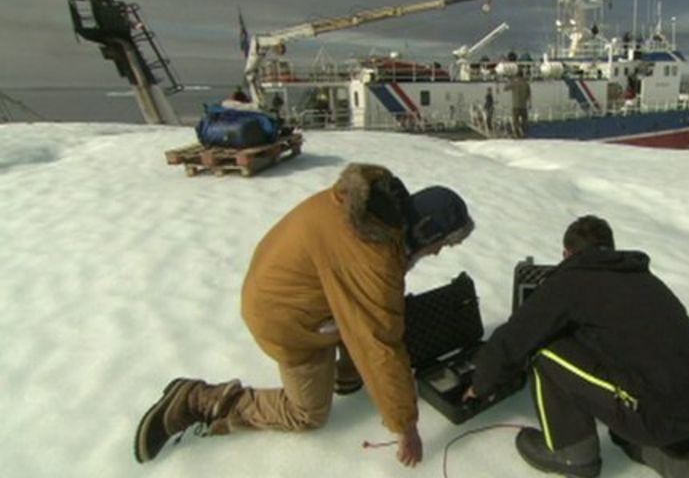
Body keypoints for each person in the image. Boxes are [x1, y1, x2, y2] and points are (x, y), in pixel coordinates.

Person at [134, 163, 475, 468]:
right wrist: (406, 425)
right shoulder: (372, 256)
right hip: (284, 318)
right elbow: (378, 342)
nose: (438, 252)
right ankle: (200, 401)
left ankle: (345, 374)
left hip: (284, 286)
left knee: (371, 317)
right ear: (426, 230)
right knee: (308, 413)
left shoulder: (372, 210)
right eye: (442, 243)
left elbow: (364, 304)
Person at [465, 216, 689, 478]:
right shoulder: (642, 278)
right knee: (633, 426)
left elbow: (513, 340)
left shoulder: (571, 281)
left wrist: (480, 385)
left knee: (545, 351)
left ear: (566, 253)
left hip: (653, 411)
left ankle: (572, 455)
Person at [505, 70, 531, 138]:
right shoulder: (526, 84)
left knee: (515, 121)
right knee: (524, 121)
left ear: (517, 76)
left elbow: (505, 88)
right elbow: (529, 95)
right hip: (523, 105)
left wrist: (510, 80)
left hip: (515, 105)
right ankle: (524, 134)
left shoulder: (514, 83)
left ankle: (517, 135)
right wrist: (529, 104)